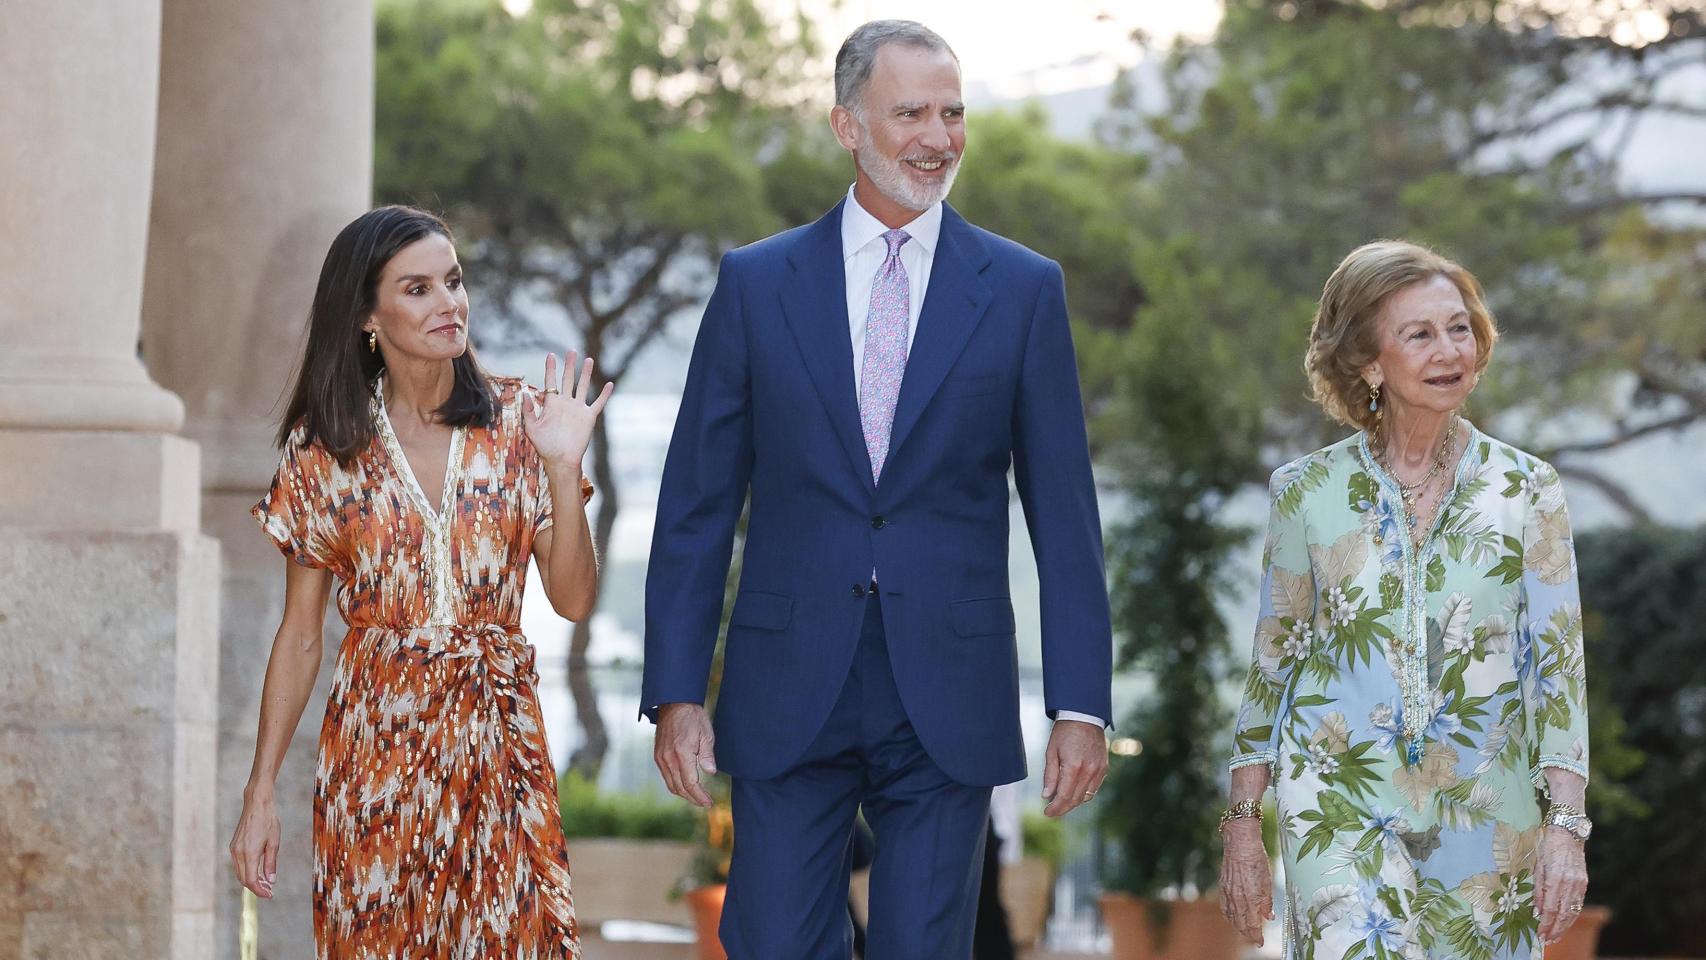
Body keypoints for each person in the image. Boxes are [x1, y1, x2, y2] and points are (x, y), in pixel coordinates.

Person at [641, 20, 1113, 960]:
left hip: (950, 681)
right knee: (770, 940)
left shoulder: (1023, 290)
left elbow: (1063, 515)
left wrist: (1080, 703)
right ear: (847, 125)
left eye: (953, 112)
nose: (938, 137)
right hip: (787, 678)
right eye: (911, 113)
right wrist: (676, 690)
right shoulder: (755, 282)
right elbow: (697, 503)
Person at [227, 205, 609, 957]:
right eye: (418, 289)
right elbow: (301, 636)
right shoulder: (326, 450)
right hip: (376, 752)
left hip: (498, 747)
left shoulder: (521, 425)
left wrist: (564, 469)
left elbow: (572, 599)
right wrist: (260, 791)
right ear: (368, 315)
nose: (449, 304)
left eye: (455, 282)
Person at [1219, 240, 1592, 958]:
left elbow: (1558, 668)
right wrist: (1242, 820)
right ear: (1366, 360)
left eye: (1459, 328)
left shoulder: (1526, 490)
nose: (1449, 350)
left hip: (1489, 810)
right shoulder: (1304, 491)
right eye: (1418, 334)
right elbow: (1275, 661)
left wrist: (1565, 827)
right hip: (1338, 796)